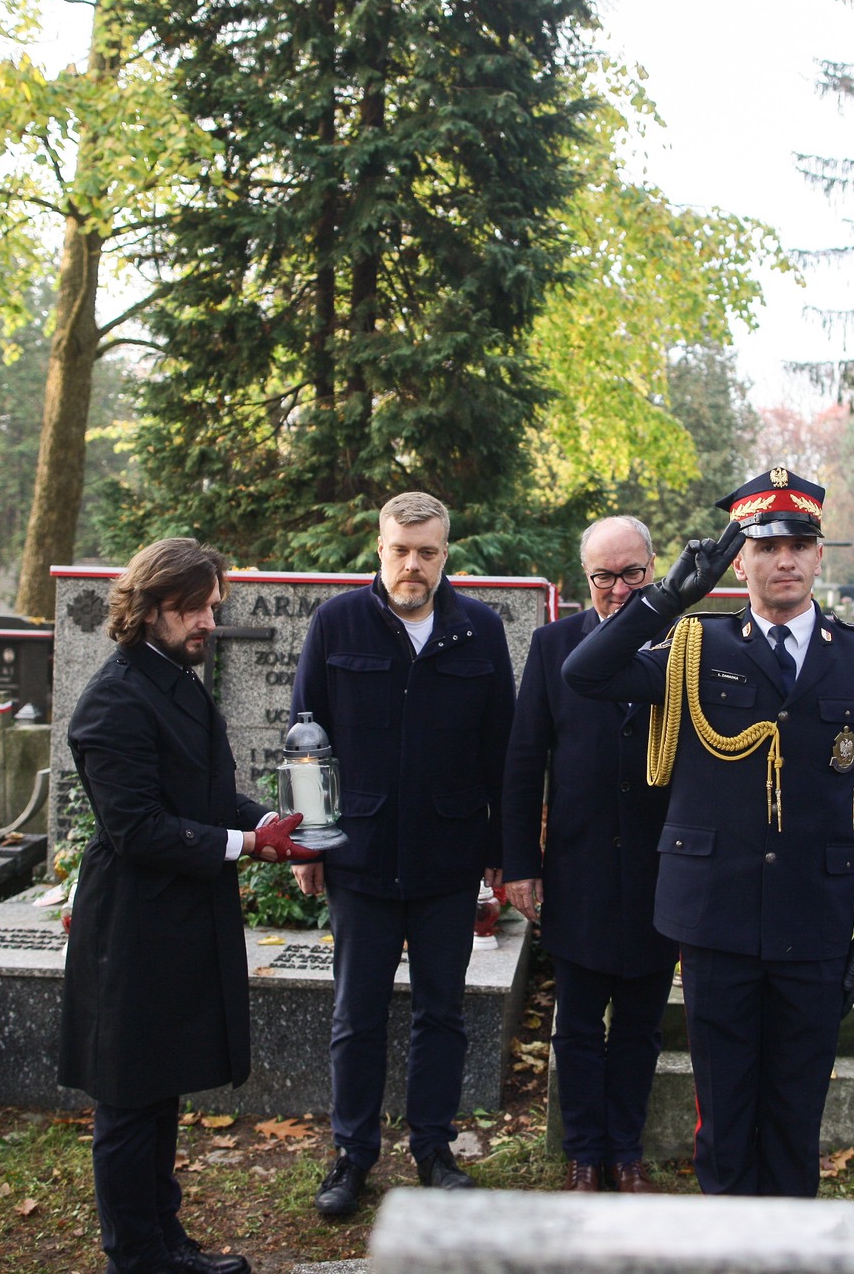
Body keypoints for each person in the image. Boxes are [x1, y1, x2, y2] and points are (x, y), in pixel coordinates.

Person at [562, 468, 854, 1198]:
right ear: (740, 561)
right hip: (716, 923)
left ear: (819, 556)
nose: (785, 558)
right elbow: (585, 672)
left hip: (813, 928)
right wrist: (666, 597)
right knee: (722, 1123)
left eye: (800, 542)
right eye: (766, 543)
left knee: (793, 1122)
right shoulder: (697, 647)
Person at [60, 538, 316, 1274]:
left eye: (211, 604)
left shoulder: (173, 680)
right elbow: (136, 827)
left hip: (178, 915)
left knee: (159, 1086)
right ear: (148, 608)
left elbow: (201, 797)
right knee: (131, 1098)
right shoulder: (114, 700)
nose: (209, 619)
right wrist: (243, 843)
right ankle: (135, 1256)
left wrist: (269, 826)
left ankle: (164, 1237)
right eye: (194, 607)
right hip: (134, 923)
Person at [290, 492, 515, 1218]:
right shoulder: (336, 623)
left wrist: (499, 850)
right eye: (400, 549)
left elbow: (500, 753)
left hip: (448, 859)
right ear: (379, 548)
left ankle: (434, 1149)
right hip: (359, 852)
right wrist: (311, 838)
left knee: (442, 1013)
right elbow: (307, 739)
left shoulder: (479, 631)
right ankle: (351, 1155)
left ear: (447, 552)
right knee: (357, 1014)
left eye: (428, 551)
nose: (412, 564)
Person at [501, 515, 677, 1193]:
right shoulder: (553, 646)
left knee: (639, 1025)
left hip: (660, 869)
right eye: (605, 576)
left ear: (654, 568)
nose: (620, 589)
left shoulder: (687, 648)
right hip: (578, 867)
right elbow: (524, 762)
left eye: (633, 572)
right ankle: (583, 1152)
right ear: (586, 580)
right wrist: (521, 862)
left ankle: (624, 1151)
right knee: (575, 1024)